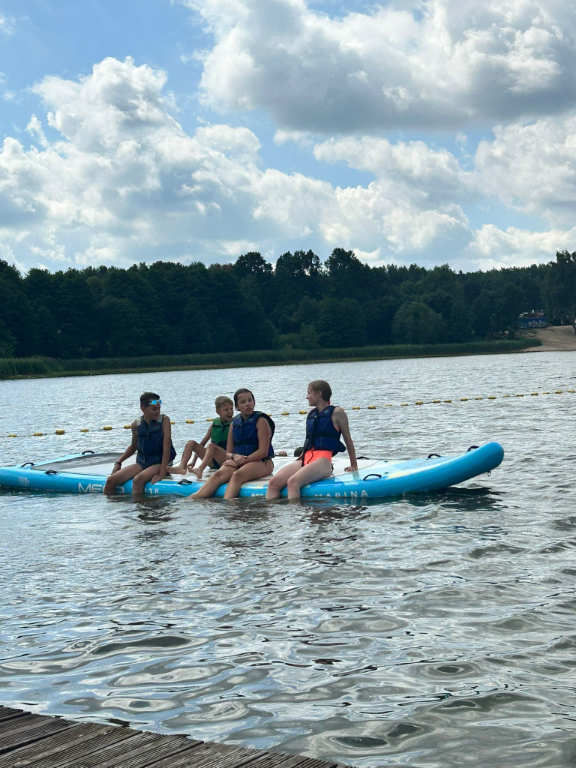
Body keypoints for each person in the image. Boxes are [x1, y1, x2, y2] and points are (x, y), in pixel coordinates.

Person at [266, 379, 358, 500]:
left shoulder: (337, 412)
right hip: (305, 458)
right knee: (273, 483)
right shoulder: (311, 415)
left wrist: (353, 464)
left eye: (309, 393)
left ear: (319, 394)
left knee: (293, 482)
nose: (307, 397)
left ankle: (295, 512)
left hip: (323, 461)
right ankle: (272, 510)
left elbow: (348, 439)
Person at [189, 388, 274, 500]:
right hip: (239, 461)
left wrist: (241, 461)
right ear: (237, 407)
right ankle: (193, 498)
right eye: (243, 402)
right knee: (217, 475)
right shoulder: (234, 424)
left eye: (250, 400)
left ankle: (228, 505)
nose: (247, 404)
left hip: (262, 462)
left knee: (237, 475)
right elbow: (228, 453)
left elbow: (263, 452)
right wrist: (234, 457)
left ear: (254, 402)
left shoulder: (261, 421)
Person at [104, 392, 176, 495]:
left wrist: (162, 473)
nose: (157, 412)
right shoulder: (136, 425)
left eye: (159, 409)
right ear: (143, 408)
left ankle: (140, 505)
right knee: (111, 480)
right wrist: (119, 462)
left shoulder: (164, 420)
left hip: (160, 462)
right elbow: (133, 447)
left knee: (138, 480)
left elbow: (166, 448)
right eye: (154, 409)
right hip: (143, 463)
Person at [170, 396, 234, 478]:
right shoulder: (214, 425)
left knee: (211, 446)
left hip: (226, 459)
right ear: (218, 411)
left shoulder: (235, 424)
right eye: (226, 409)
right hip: (212, 461)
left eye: (231, 409)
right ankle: (182, 467)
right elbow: (202, 444)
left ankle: (200, 469)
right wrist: (194, 461)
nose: (230, 412)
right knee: (191, 443)